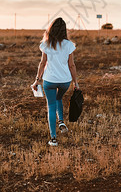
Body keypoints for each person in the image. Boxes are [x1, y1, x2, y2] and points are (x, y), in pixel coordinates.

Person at [31, 17, 79, 146]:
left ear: (51, 29)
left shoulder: (46, 44)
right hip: (65, 81)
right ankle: (61, 121)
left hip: (49, 81)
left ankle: (53, 138)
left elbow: (42, 63)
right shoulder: (69, 45)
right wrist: (75, 82)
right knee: (59, 99)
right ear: (64, 30)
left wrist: (37, 80)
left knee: (51, 106)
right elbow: (72, 65)